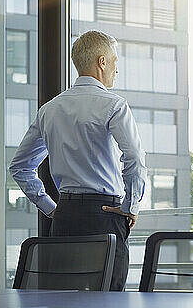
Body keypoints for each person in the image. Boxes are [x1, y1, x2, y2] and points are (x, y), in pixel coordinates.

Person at [9, 30, 147, 291]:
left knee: (63, 301)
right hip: (105, 216)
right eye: (115, 62)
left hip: (65, 217)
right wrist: (131, 206)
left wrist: (51, 208)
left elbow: (20, 167)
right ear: (102, 61)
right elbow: (134, 157)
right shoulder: (113, 105)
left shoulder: (49, 109)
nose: (117, 70)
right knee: (110, 304)